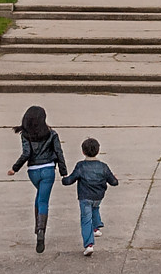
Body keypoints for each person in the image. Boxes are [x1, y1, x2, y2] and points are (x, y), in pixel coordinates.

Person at [6, 104, 66, 253]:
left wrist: (15, 168)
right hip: (48, 170)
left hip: (33, 171)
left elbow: (26, 154)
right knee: (43, 201)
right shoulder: (52, 134)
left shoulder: (25, 135)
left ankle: (37, 226)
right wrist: (63, 172)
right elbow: (59, 152)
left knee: (39, 197)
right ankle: (41, 230)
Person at [61, 137, 118, 256]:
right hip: (98, 196)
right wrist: (114, 178)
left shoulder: (81, 166)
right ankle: (96, 228)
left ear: (83, 151)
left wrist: (64, 179)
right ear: (98, 150)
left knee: (86, 219)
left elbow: (70, 180)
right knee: (95, 208)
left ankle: (89, 245)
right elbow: (113, 182)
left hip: (85, 196)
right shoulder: (103, 166)